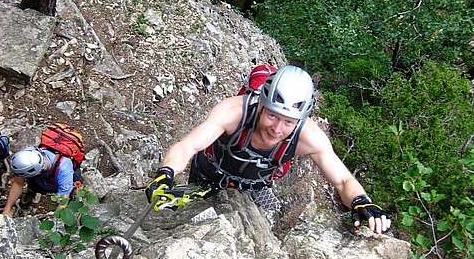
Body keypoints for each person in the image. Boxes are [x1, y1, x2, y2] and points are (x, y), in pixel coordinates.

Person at [146, 65, 390, 233]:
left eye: (288, 122)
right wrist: (165, 174)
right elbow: (189, 145)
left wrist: (362, 202)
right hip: (209, 174)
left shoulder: (309, 135)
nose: (278, 128)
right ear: (262, 105)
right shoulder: (234, 112)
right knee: (183, 221)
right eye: (273, 116)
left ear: (300, 120)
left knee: (257, 230)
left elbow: (343, 180)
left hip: (255, 186)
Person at [3, 145, 82, 217]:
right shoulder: (27, 154)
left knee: (71, 191)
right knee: (35, 182)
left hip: (65, 176)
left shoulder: (64, 169)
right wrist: (7, 208)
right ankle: (31, 194)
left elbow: (62, 201)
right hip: (44, 175)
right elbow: (18, 183)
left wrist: (54, 223)